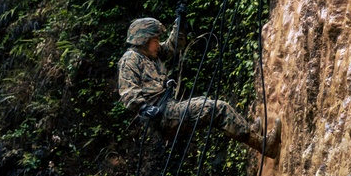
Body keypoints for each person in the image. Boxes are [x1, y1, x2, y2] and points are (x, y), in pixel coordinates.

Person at [117, 17, 281, 159]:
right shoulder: (131, 59)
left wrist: (179, 24)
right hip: (163, 114)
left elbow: (172, 47)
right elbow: (128, 92)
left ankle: (249, 133)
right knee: (217, 109)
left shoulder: (151, 55)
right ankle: (264, 145)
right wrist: (144, 107)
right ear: (144, 41)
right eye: (155, 40)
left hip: (169, 108)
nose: (158, 44)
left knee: (206, 104)